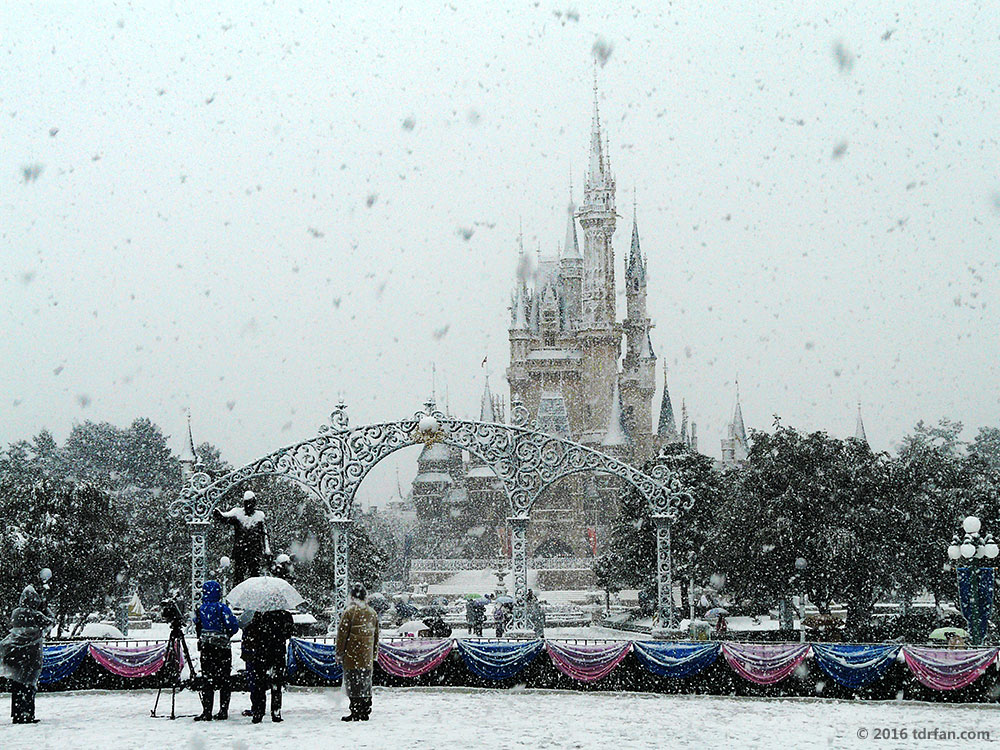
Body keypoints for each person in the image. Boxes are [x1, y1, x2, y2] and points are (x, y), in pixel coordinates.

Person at [0, 585, 55, 724]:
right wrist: (45, 608)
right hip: (31, 656)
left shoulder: (15, 613)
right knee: (29, 685)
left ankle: (17, 714)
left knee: (17, 685)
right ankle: (27, 714)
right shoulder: (35, 615)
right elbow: (51, 621)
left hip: (15, 655)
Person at [192, 580, 239, 721]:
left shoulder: (201, 609)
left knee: (208, 679)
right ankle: (223, 710)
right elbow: (233, 627)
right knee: (225, 679)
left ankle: (207, 711)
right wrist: (225, 634)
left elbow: (197, 627)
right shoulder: (222, 608)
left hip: (207, 648)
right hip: (222, 649)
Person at [336, 583, 380, 722]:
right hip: (366, 656)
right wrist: (374, 653)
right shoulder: (372, 613)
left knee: (353, 684)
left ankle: (355, 711)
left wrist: (339, 653)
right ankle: (365, 710)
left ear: (352, 596)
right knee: (365, 683)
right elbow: (376, 635)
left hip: (352, 654)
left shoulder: (349, 612)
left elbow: (342, 635)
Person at [241, 608, 294, 723]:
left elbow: (251, 632)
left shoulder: (258, 615)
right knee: (276, 683)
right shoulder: (284, 615)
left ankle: (258, 712)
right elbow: (289, 633)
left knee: (260, 683)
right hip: (278, 652)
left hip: (261, 653)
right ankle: (276, 712)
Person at [213, 490, 272, 584]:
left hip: (254, 551)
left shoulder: (259, 516)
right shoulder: (237, 513)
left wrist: (267, 550)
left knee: (254, 576)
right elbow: (225, 517)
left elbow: (264, 534)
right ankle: (237, 594)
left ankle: (253, 593)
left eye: (251, 503)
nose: (248, 505)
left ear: (254, 503)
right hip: (240, 551)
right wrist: (218, 514)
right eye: (246, 503)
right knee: (238, 576)